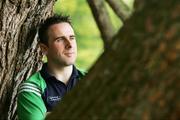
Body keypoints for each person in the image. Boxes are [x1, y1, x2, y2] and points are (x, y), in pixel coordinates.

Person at [17, 14, 86, 120]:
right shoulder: (32, 89)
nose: (70, 45)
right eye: (60, 40)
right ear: (44, 48)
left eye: (71, 38)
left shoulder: (91, 79)